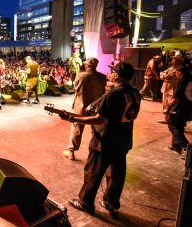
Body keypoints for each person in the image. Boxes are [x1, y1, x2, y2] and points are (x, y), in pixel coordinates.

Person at [60, 62, 141, 217]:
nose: (109, 74)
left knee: (93, 172)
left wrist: (73, 118)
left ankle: (85, 202)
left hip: (105, 140)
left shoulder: (113, 94)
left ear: (116, 76)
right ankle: (111, 203)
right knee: (117, 174)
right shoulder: (136, 93)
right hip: (123, 140)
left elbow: (99, 119)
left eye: (112, 72)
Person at [62, 58, 107, 160]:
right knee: (96, 128)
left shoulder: (81, 75)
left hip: (82, 106)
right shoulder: (102, 77)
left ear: (87, 66)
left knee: (77, 127)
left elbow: (76, 88)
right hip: (97, 107)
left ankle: (71, 152)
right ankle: (97, 151)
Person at [165, 66, 192, 154]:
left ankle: (188, 148)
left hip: (178, 108)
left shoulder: (181, 81)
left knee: (173, 126)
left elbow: (175, 98)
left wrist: (168, 108)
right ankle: (176, 146)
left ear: (180, 72)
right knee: (179, 127)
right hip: (189, 108)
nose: (175, 74)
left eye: (176, 72)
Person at [158, 55, 183, 124]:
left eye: (174, 61)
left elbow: (180, 80)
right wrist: (164, 75)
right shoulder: (171, 68)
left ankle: (173, 120)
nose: (172, 62)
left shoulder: (180, 70)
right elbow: (162, 73)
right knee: (165, 104)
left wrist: (170, 77)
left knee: (172, 106)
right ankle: (166, 119)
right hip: (166, 88)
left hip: (173, 90)